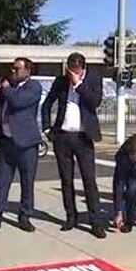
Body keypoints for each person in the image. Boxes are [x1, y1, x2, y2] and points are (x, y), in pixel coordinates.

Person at [41, 52, 107, 239]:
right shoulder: (60, 82)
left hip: (83, 137)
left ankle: (96, 223)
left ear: (82, 69)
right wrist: (47, 128)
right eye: (69, 70)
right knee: (66, 180)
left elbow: (95, 102)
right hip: (63, 136)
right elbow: (46, 105)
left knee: (89, 181)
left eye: (75, 70)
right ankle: (71, 217)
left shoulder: (93, 80)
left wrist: (78, 84)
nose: (71, 73)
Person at [0, 57, 41, 233]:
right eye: (12, 68)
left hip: (26, 143)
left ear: (27, 71)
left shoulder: (33, 87)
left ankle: (24, 216)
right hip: (7, 142)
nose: (13, 71)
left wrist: (7, 89)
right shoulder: (6, 86)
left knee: (27, 182)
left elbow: (18, 102)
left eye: (17, 69)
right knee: (2, 181)